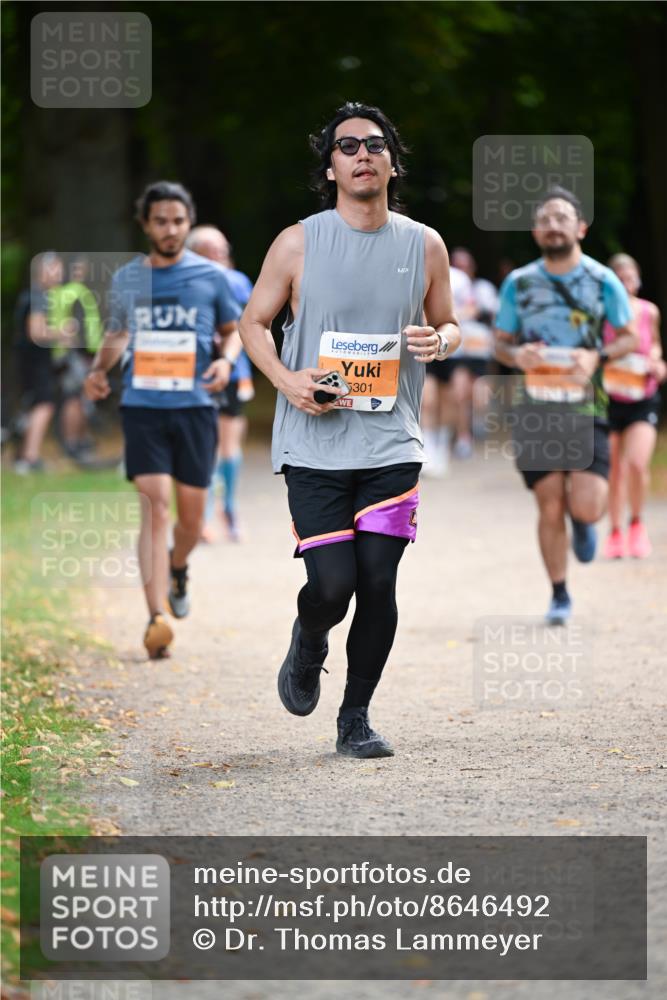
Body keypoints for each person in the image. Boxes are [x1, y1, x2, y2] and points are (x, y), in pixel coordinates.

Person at [240, 101, 460, 758]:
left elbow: (449, 323)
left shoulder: (424, 244)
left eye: (374, 143)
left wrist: (440, 340)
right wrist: (286, 380)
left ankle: (354, 718)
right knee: (332, 587)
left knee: (380, 582)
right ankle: (308, 642)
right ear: (331, 167)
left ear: (392, 161)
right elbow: (252, 323)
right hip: (313, 446)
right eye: (347, 146)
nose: (361, 153)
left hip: (391, 444)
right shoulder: (298, 241)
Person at [84, 181, 243, 658]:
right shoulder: (130, 278)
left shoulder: (210, 277)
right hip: (143, 406)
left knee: (191, 519)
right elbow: (117, 333)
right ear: (145, 224)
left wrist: (225, 361)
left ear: (188, 222)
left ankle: (178, 567)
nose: (170, 230)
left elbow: (233, 331)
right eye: (160, 221)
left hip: (196, 408)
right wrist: (97, 370)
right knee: (154, 505)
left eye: (178, 221)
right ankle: (155, 619)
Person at [494, 186, 637, 625]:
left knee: (587, 505)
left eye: (562, 217)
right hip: (537, 408)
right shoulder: (519, 283)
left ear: (580, 228)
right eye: (545, 219)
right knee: (549, 503)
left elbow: (629, 336)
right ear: (537, 232)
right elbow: (501, 344)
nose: (553, 224)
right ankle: (559, 594)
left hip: (587, 406)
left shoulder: (602, 280)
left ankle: (585, 521)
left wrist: (598, 355)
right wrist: (518, 356)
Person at [186, 226, 255, 542]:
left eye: (222, 249)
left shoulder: (239, 282)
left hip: (232, 373)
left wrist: (243, 374)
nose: (219, 256)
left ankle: (229, 508)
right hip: (195, 373)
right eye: (209, 250)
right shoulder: (185, 282)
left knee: (229, 445)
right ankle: (203, 514)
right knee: (205, 446)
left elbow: (251, 328)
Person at [601, 253, 665, 558]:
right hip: (610, 400)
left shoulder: (649, 312)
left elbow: (654, 344)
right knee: (614, 470)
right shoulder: (603, 314)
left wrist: (656, 361)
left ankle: (637, 525)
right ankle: (615, 532)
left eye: (632, 278)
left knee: (637, 464)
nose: (628, 284)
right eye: (621, 279)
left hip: (643, 398)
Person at [13, 252, 64, 473]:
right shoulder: (39, 296)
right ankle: (30, 458)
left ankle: (21, 455)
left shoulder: (32, 295)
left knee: (33, 405)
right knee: (44, 405)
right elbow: (36, 332)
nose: (58, 274)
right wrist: (61, 332)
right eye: (53, 269)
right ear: (40, 272)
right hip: (35, 360)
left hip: (27, 359)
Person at [448, 247, 499, 459]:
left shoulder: (483, 288)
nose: (462, 269)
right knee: (460, 393)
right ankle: (463, 437)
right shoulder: (448, 284)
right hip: (459, 349)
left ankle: (478, 420)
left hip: (479, 348)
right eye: (457, 264)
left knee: (478, 395)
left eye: (465, 265)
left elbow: (491, 314)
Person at [420, 263, 471, 476]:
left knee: (450, 398)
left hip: (451, 347)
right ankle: (427, 448)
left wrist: (450, 316)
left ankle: (442, 445)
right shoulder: (417, 269)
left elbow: (471, 307)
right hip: (424, 342)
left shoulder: (459, 278)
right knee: (428, 399)